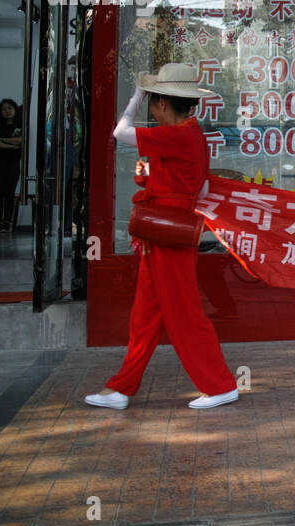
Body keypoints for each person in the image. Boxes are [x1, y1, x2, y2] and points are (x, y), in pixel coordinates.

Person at [85, 64, 238, 411]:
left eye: (152, 102)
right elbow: (199, 186)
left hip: (166, 234)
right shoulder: (188, 134)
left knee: (183, 314)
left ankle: (220, 385)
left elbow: (120, 132)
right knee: (146, 316)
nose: (151, 109)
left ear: (163, 104)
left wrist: (133, 98)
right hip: (163, 232)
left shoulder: (179, 135)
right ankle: (121, 387)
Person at [0, 98, 23, 232]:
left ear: (15, 109)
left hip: (13, 163)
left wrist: (3, 140)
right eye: (4, 109)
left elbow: (21, 140)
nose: (7, 111)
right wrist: (10, 146)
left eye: (10, 108)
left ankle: (7, 222)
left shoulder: (21, 125)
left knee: (9, 193)